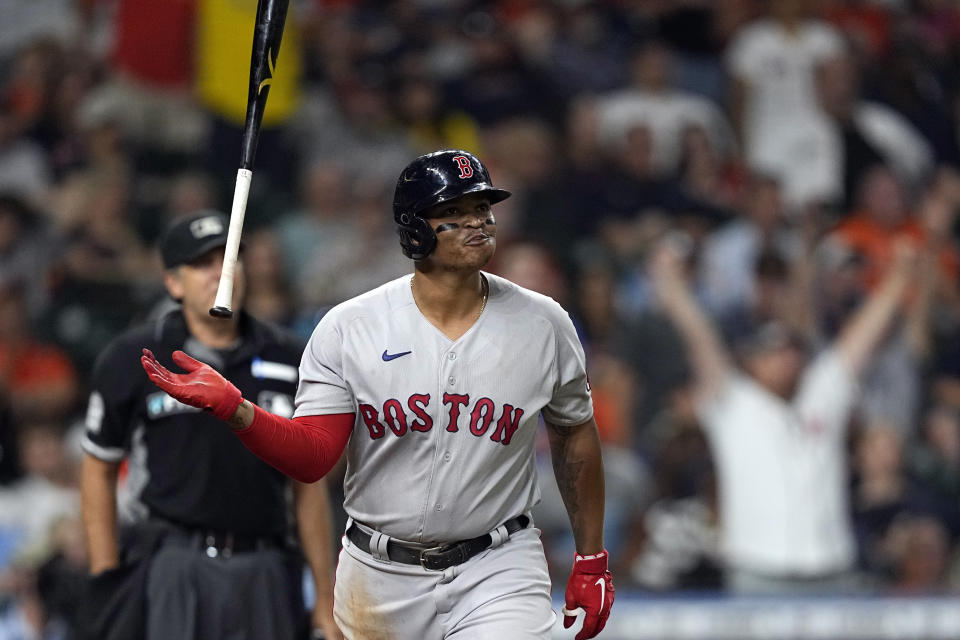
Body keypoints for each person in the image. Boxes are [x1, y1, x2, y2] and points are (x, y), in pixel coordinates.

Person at [140, 150, 615, 639]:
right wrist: (237, 410)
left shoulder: (545, 323)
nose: (476, 222)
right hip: (379, 577)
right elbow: (314, 457)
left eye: (481, 208)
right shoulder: (351, 327)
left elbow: (573, 432)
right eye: (453, 212)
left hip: (498, 564)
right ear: (414, 230)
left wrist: (591, 557)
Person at [80, 210, 342, 640]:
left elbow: (306, 484)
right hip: (174, 564)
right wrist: (106, 575)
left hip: (267, 565)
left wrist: (325, 603)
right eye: (203, 263)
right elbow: (98, 466)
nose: (221, 274)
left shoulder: (291, 356)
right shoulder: (134, 357)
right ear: (173, 282)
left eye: (231, 259)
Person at [649, 235, 915, 594]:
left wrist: (898, 278)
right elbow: (700, 338)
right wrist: (673, 286)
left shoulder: (822, 394)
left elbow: (861, 340)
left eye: (791, 351)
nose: (785, 359)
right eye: (773, 352)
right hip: (757, 571)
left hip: (831, 568)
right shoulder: (733, 402)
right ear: (752, 362)